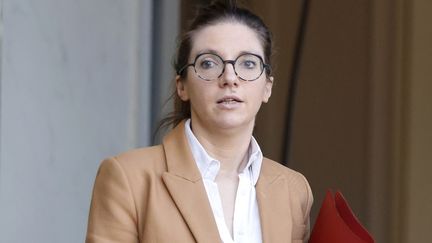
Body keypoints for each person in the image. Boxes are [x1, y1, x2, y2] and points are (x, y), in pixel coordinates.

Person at [86, 1, 313, 242]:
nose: (229, 78)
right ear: (182, 86)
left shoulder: (294, 191)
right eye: (208, 63)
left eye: (248, 63)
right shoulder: (129, 178)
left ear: (267, 87)